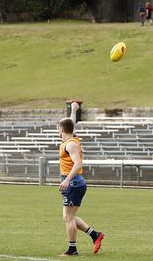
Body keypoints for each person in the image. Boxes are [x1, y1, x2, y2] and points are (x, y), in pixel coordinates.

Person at [57, 102, 104, 256]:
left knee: (69, 217)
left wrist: (66, 180)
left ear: (62, 130)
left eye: (59, 129)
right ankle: (94, 234)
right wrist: (73, 110)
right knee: (67, 216)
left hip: (74, 182)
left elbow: (78, 164)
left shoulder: (70, 145)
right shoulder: (72, 138)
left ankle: (72, 249)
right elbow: (71, 124)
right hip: (74, 181)